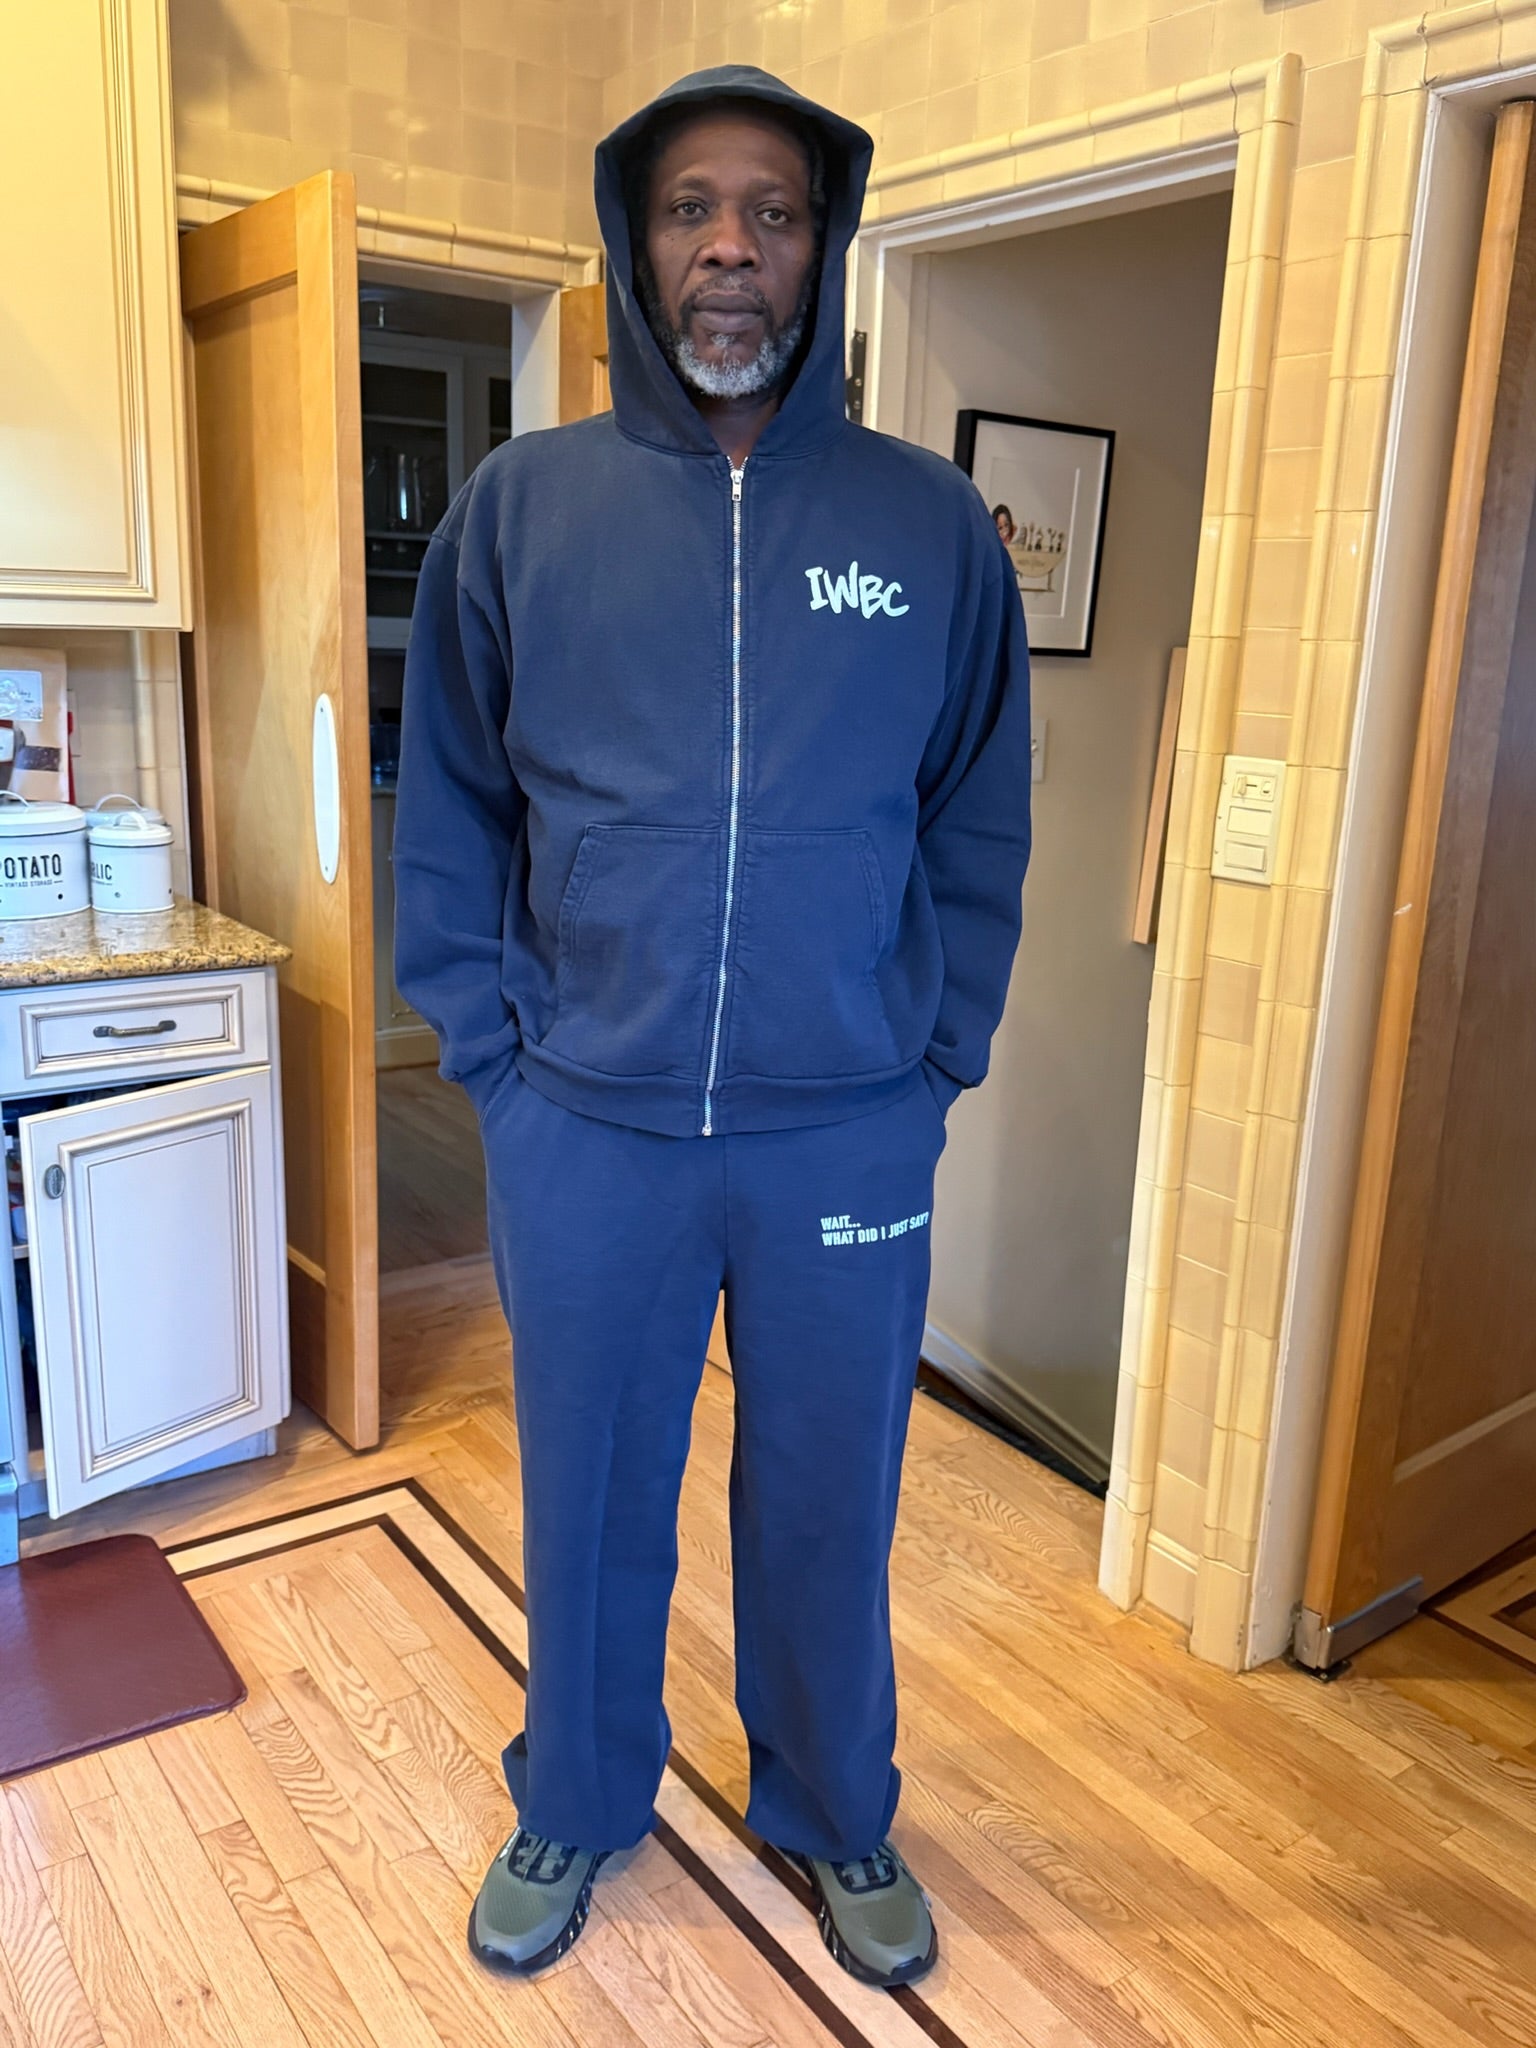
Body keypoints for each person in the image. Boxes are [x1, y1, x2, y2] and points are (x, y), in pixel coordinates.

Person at [393, 64, 1032, 1990]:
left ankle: (834, 1811)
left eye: (770, 210)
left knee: (832, 1486)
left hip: (847, 1124)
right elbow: (453, 811)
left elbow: (978, 815)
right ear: (635, 243)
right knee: (590, 1489)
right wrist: (497, 1073)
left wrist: (937, 1065)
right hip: (586, 1120)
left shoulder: (928, 530)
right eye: (691, 210)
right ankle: (579, 1794)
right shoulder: (523, 512)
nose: (731, 250)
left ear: (821, 244)